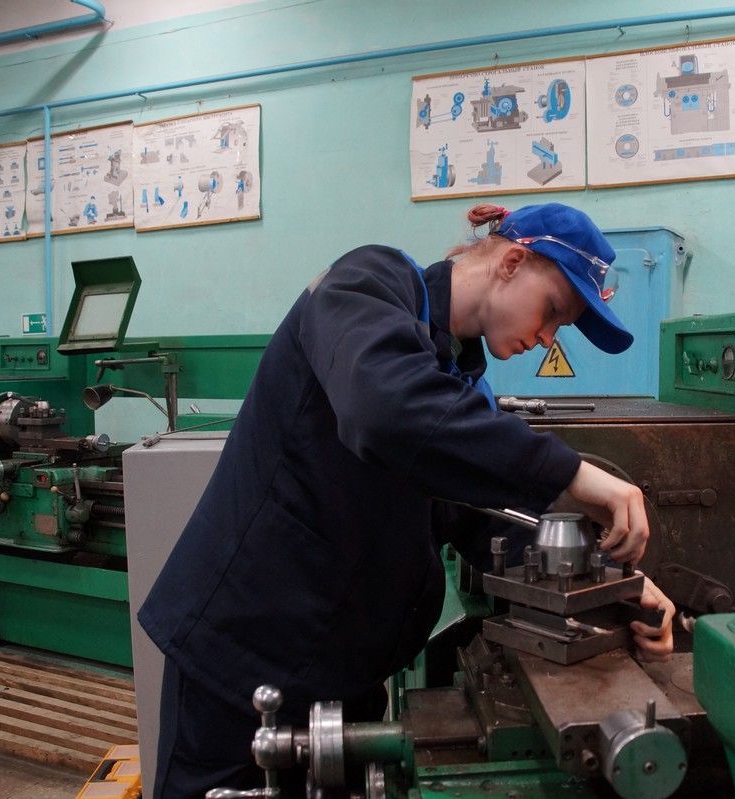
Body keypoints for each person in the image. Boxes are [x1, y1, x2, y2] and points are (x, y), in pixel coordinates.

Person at [139, 202, 676, 797]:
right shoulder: (366, 283)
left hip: (339, 677)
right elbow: (386, 411)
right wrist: (571, 473)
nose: (548, 337)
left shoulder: (454, 377)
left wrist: (615, 587)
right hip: (242, 664)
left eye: (561, 327)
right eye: (552, 310)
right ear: (512, 262)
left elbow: (485, 517)